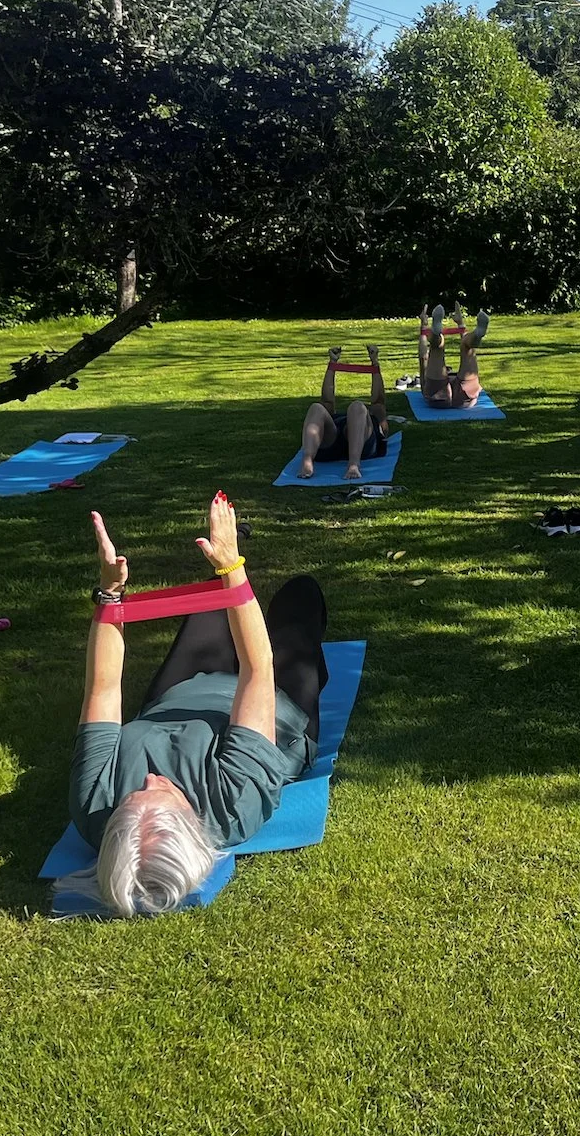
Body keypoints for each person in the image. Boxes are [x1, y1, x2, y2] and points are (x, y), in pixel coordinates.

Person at [66, 496, 329, 915]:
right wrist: (231, 569)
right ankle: (240, 563)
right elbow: (257, 671)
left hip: (179, 696)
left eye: (133, 796)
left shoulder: (94, 806)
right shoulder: (231, 806)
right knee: (299, 599)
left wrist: (110, 593)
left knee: (209, 609)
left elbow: (102, 690)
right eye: (162, 795)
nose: (150, 781)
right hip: (277, 704)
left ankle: (230, 551)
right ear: (193, 826)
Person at [297, 344, 388, 480]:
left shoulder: (377, 419)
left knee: (357, 407)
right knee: (317, 408)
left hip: (362, 443)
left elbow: (378, 402)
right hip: (334, 438)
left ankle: (354, 464)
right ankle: (308, 459)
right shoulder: (345, 419)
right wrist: (332, 364)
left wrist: (375, 364)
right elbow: (327, 401)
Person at [417, 301, 489, 408]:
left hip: (437, 396)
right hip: (466, 398)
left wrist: (423, 328)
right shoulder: (439, 374)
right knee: (467, 347)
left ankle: (436, 333)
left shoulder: (428, 376)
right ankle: (477, 335)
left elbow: (423, 357)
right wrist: (460, 324)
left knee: (437, 347)